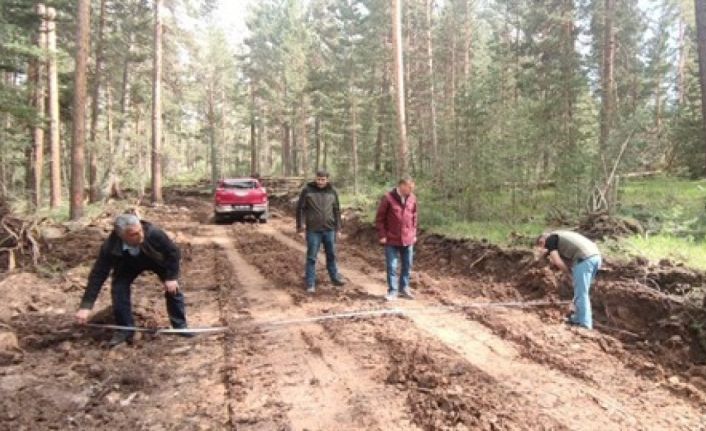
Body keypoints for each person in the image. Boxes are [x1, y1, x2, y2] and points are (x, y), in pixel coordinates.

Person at [75, 214, 191, 347]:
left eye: (140, 230)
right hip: (127, 264)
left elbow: (173, 252)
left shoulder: (153, 233)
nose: (140, 235)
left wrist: (171, 277)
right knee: (118, 289)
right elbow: (98, 274)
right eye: (134, 234)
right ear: (121, 235)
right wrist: (86, 306)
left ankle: (180, 326)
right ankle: (125, 329)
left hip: (155, 260)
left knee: (173, 289)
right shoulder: (110, 246)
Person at [536, 230, 602, 330]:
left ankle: (585, 323)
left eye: (541, 244)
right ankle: (578, 318)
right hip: (595, 257)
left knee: (581, 293)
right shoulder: (561, 236)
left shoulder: (550, 239)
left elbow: (557, 261)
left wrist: (568, 273)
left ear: (543, 239)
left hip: (584, 259)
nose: (544, 247)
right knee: (581, 291)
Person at [296, 170, 346, 293]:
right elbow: (300, 209)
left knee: (331, 255)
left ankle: (335, 278)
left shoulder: (332, 191)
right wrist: (300, 227)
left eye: (323, 179)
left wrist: (338, 228)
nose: (320, 182)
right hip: (313, 230)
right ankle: (310, 283)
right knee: (312, 257)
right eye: (318, 179)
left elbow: (337, 210)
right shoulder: (307, 190)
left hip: (329, 229)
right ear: (315, 178)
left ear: (327, 180)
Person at [375, 177, 418, 301]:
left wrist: (414, 233)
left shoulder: (412, 198)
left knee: (407, 265)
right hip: (391, 239)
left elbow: (414, 217)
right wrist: (382, 235)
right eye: (409, 187)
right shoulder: (388, 198)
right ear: (401, 186)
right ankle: (392, 291)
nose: (411, 190)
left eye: (412, 187)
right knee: (392, 266)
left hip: (408, 238)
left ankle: (404, 288)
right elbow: (380, 219)